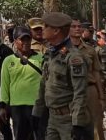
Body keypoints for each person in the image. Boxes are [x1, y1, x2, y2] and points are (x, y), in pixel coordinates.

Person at [32, 12, 92, 140]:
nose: (42, 29)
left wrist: (77, 122)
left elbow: (80, 92)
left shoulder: (74, 57)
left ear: (55, 31)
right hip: (52, 118)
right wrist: (37, 113)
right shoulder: (51, 54)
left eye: (46, 26)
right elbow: (44, 85)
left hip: (68, 118)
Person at [0, 26, 43, 140]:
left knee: (40, 136)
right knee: (21, 136)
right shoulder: (8, 61)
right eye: (22, 39)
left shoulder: (41, 58)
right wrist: (3, 106)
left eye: (28, 39)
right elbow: (4, 85)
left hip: (37, 105)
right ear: (15, 41)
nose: (26, 42)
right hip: (17, 107)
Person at [70, 20, 104, 140]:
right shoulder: (63, 50)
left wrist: (101, 96)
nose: (77, 29)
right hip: (71, 92)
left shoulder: (90, 50)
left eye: (79, 27)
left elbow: (96, 73)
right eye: (73, 26)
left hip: (90, 90)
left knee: (96, 125)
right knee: (72, 126)